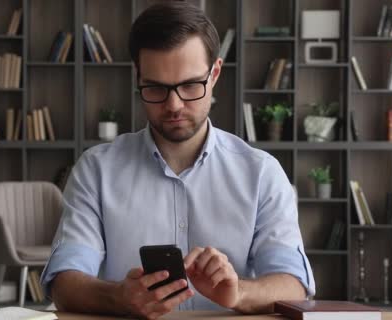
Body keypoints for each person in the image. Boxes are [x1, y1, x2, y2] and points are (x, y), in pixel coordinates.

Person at [41, 2, 314, 318]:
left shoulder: (262, 173)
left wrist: (239, 292)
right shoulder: (95, 170)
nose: (173, 104)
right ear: (138, 77)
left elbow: (294, 285)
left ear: (214, 74)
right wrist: (119, 297)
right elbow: (64, 282)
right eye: (156, 87)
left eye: (189, 85)